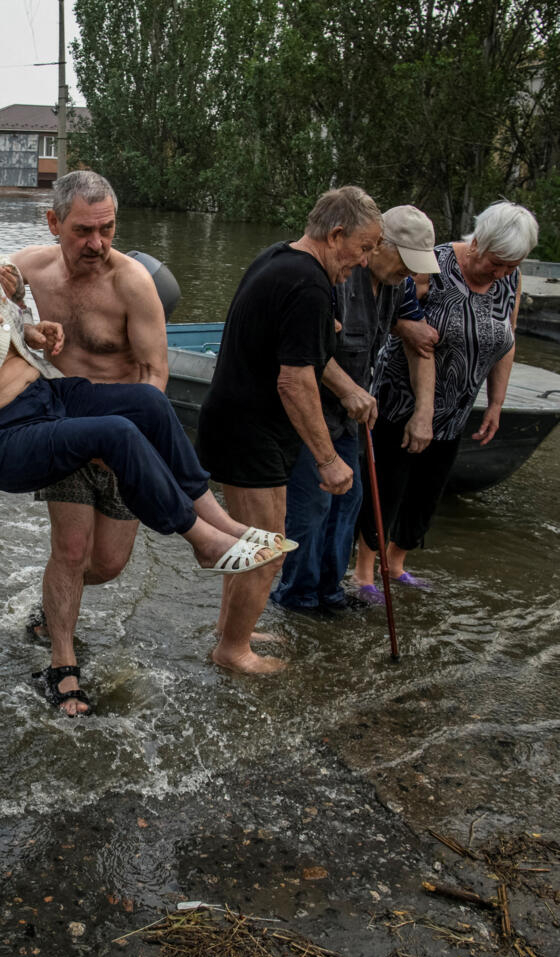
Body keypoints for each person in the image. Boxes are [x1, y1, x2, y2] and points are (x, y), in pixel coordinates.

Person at [0, 175, 287, 716]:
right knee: (82, 519)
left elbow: (11, 318)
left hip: (51, 404)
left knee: (144, 415)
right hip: (1, 437)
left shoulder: (77, 276)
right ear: (55, 225)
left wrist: (31, 333)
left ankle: (218, 524)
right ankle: (196, 548)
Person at [195, 186, 382, 674]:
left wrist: (345, 392)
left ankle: (228, 629)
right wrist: (327, 459)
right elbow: (295, 379)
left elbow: (307, 356)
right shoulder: (309, 284)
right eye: (363, 249)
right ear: (336, 234)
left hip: (238, 421)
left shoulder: (281, 258)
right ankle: (233, 651)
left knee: (250, 543)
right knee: (267, 549)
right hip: (249, 430)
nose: (364, 262)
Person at [9, 171, 168, 715]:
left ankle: (50, 607)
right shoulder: (30, 267)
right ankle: (62, 665)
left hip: (122, 439)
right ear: (53, 223)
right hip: (63, 429)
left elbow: (154, 374)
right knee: (71, 552)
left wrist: (131, 440)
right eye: (82, 230)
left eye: (107, 228)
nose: (97, 243)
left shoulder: (132, 283)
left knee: (108, 563)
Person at [355, 201, 538, 598]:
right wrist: (408, 329)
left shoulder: (511, 279)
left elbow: (507, 339)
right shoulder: (431, 264)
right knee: (388, 485)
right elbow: (389, 311)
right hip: (401, 399)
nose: (503, 272)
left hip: (455, 406)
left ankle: (398, 562)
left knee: (426, 491)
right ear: (479, 243)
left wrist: (495, 402)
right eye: (498, 262)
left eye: (512, 264)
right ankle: (365, 573)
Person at [270, 205, 440, 614]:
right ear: (379, 246)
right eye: (405, 261)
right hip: (312, 412)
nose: (412, 275)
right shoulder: (338, 277)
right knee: (312, 507)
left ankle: (330, 593)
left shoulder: (397, 286)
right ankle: (297, 598)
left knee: (349, 500)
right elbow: (305, 350)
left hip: (350, 420)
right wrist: (349, 389)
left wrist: (423, 412)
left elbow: (418, 343)